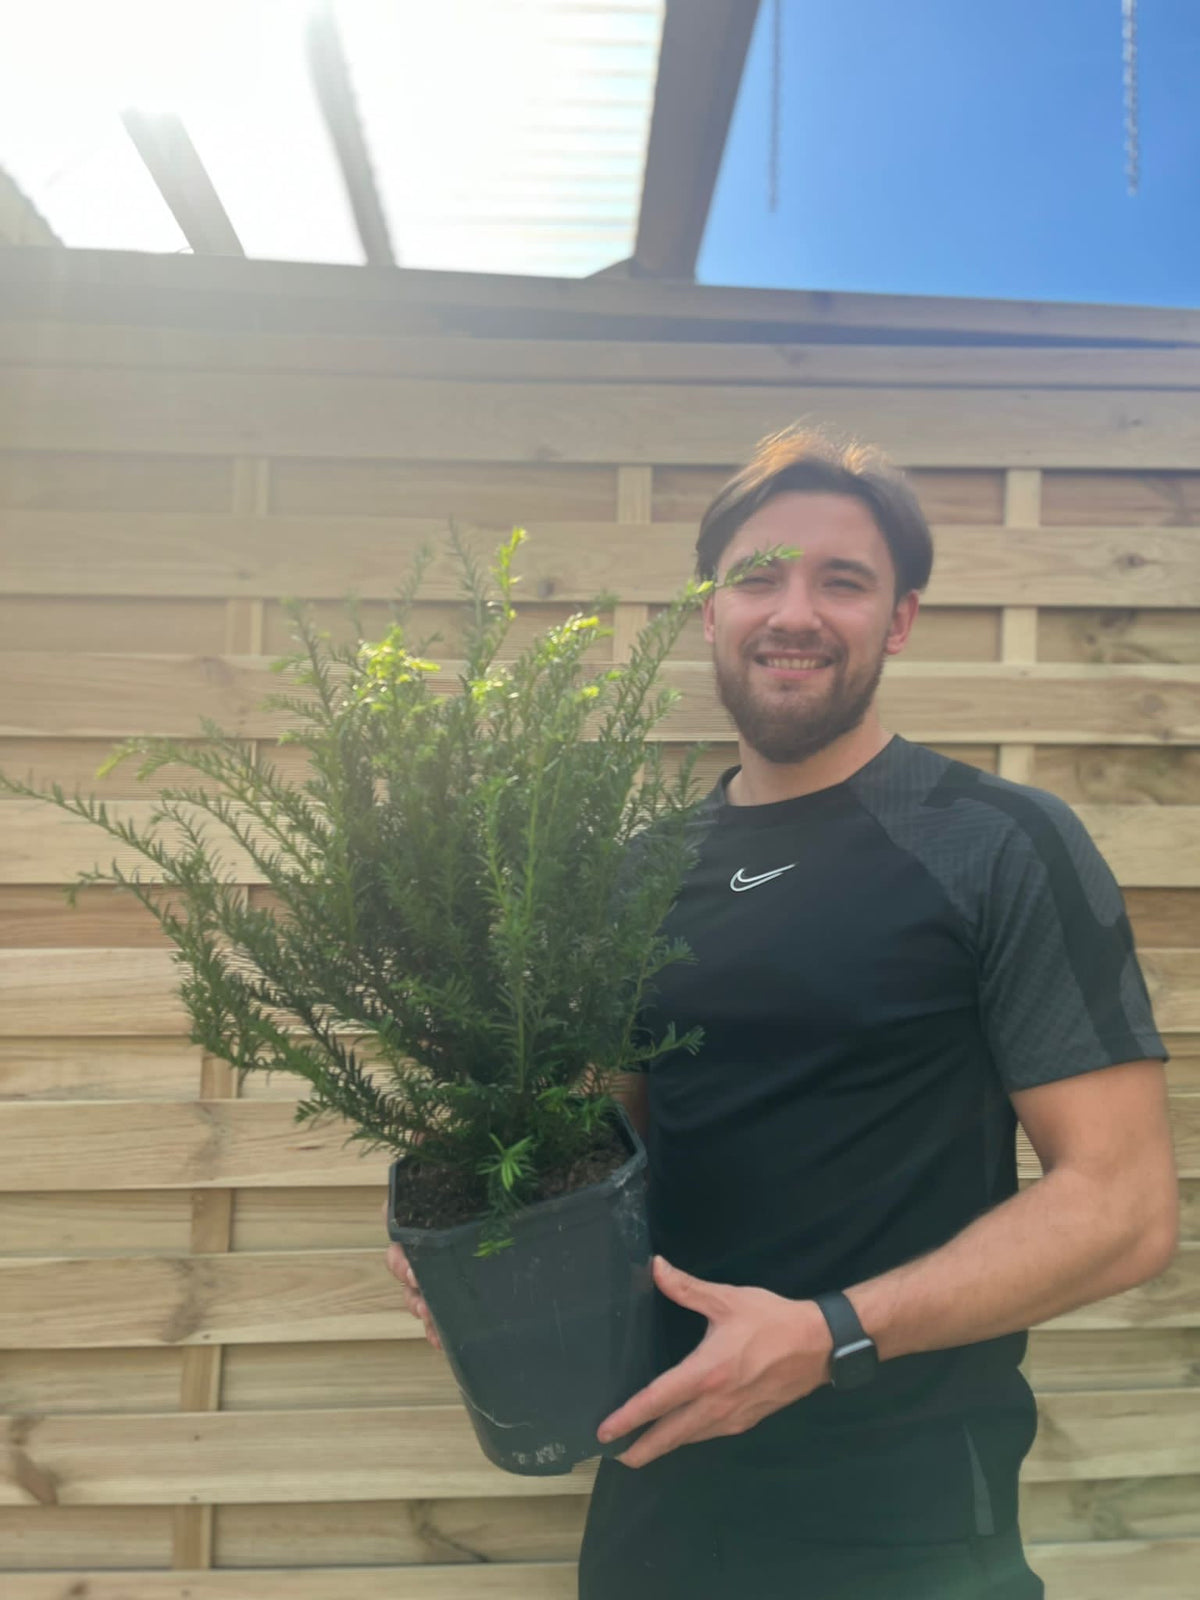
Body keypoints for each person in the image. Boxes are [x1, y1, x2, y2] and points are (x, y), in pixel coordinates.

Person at [386, 427, 1179, 1599]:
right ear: (708, 611)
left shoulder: (997, 843)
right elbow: (603, 1155)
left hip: (903, 1512)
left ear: (899, 618)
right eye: (757, 576)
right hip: (656, 1483)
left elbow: (1124, 1208)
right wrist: (488, 1249)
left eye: (842, 581)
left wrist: (831, 1333)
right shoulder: (635, 876)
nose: (793, 611)